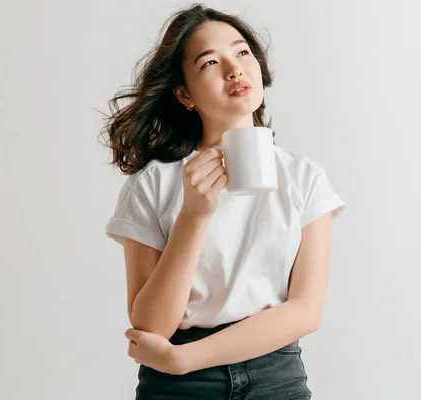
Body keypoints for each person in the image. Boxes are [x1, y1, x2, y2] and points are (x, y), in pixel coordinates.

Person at [100, 3, 346, 399]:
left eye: (242, 52)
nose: (234, 69)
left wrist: (185, 360)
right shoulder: (153, 185)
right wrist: (194, 217)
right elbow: (149, 327)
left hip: (274, 375)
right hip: (179, 388)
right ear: (184, 93)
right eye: (210, 62)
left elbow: (305, 311)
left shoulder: (304, 178)